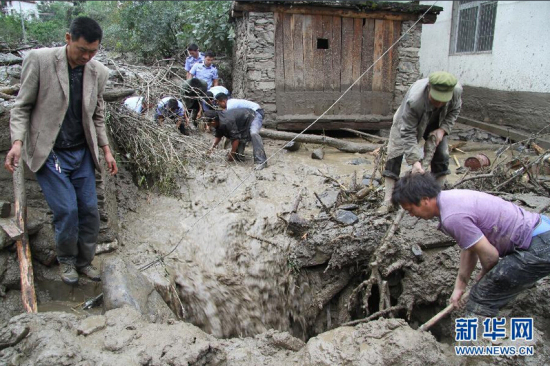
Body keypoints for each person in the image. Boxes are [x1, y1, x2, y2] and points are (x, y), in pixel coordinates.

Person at [5, 17, 118, 285]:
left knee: (90, 210)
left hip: (81, 153)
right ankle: (66, 261)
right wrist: (17, 142)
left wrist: (106, 149)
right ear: (68, 38)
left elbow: (97, 115)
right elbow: (21, 107)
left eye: (93, 51)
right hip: (51, 151)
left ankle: (84, 261)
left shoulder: (98, 72)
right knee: (67, 210)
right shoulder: (40, 61)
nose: (87, 57)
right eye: (82, 50)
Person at [392, 173, 550, 317]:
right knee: (496, 281)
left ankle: (476, 345)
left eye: (410, 209)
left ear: (425, 200)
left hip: (538, 247)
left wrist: (483, 277)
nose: (412, 215)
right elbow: (470, 247)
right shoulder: (450, 199)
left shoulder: (452, 217)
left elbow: (490, 256)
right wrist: (459, 287)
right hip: (540, 232)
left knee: (481, 297)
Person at [379, 71, 462, 214]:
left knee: (442, 155)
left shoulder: (456, 91)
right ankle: (388, 201)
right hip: (407, 123)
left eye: (443, 100)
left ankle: (438, 199)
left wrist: (443, 129)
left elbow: (454, 111)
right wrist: (415, 162)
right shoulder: (415, 100)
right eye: (436, 99)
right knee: (394, 155)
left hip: (438, 121)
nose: (440, 103)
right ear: (429, 87)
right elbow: (407, 132)